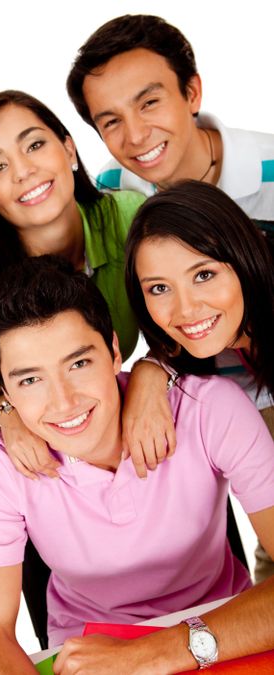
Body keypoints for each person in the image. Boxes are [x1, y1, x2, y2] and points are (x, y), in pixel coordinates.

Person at [0, 255, 274, 675]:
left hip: (223, 630)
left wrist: (152, 653)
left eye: (78, 364)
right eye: (30, 380)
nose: (64, 402)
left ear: (113, 351)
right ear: (6, 393)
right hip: (88, 653)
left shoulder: (209, 408)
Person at [0, 89, 173, 478]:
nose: (23, 172)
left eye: (34, 145)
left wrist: (151, 372)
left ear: (69, 150)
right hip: (40, 454)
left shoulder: (131, 219)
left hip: (110, 420)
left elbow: (182, 322)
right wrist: (8, 418)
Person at [124, 179, 274, 584]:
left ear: (243, 258)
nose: (186, 309)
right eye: (159, 288)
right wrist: (149, 371)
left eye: (204, 274)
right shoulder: (207, 353)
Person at [66, 14, 274, 240]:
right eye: (112, 121)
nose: (136, 137)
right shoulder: (111, 186)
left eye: (149, 103)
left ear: (192, 93)